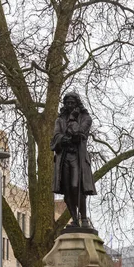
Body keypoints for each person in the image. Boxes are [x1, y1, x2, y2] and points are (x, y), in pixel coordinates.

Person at [51, 92, 97, 227]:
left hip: (78, 158)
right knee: (67, 191)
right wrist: (62, 139)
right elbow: (55, 137)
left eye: (72, 103)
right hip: (64, 157)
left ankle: (84, 219)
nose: (70, 105)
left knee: (77, 187)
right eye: (67, 103)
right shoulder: (59, 120)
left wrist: (72, 119)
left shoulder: (85, 118)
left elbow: (79, 134)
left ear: (77, 104)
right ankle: (75, 220)